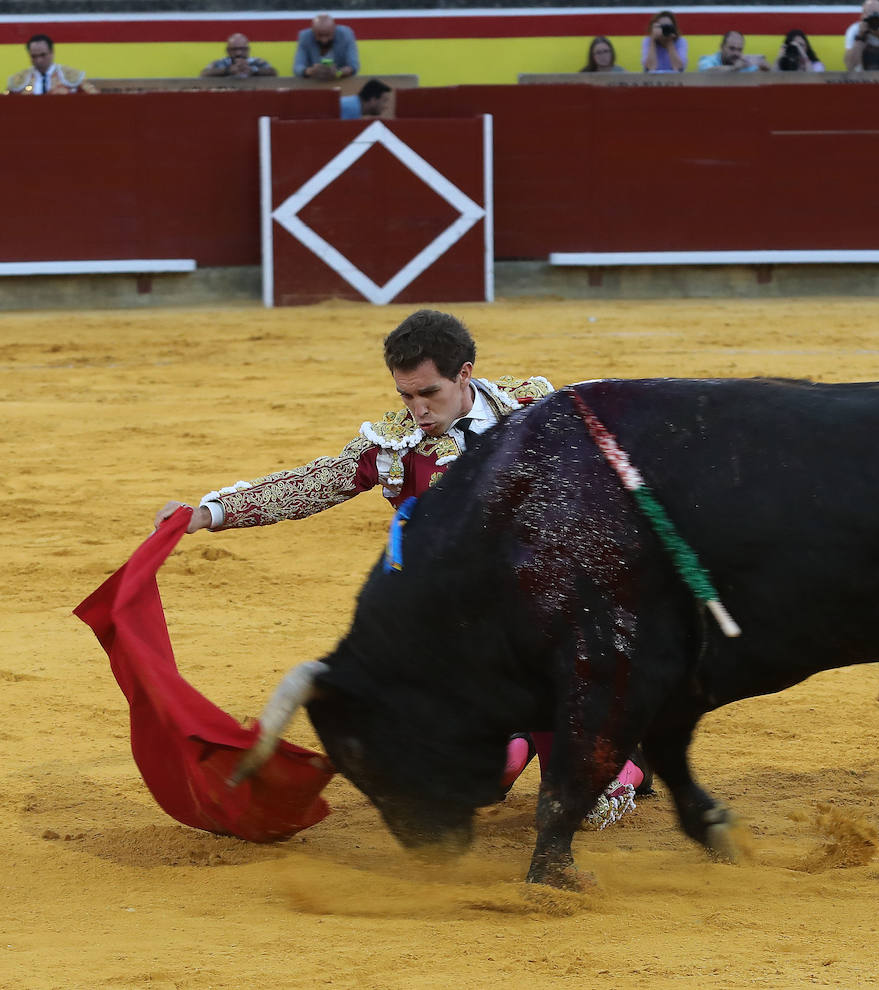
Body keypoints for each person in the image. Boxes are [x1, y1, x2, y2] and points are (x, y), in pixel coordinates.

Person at [152, 310, 644, 829]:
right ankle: (513, 739)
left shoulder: (536, 414)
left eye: (428, 393)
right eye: (405, 396)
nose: (417, 411)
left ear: (465, 374)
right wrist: (209, 512)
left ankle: (619, 766)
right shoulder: (396, 446)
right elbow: (315, 483)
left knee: (584, 796)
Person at [6, 34, 97, 95]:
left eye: (43, 55)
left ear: (52, 53)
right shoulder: (19, 79)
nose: (39, 60)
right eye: (34, 56)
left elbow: (95, 99)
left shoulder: (71, 76)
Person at [294, 13, 359, 81]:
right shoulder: (305, 37)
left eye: (328, 35)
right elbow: (297, 67)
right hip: (314, 83)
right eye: (319, 35)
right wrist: (311, 71)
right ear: (312, 31)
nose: (324, 40)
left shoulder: (346, 35)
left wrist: (338, 73)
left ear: (334, 29)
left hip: (340, 81)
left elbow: (353, 66)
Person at [200, 33, 278, 78]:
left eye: (242, 49)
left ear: (248, 50)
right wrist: (227, 71)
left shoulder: (257, 62)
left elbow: (273, 72)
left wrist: (253, 70)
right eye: (234, 49)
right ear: (227, 51)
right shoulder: (221, 63)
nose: (238, 53)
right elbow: (204, 74)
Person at [697, 30, 770, 72]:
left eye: (739, 50)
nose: (736, 53)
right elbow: (706, 73)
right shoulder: (708, 60)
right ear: (721, 47)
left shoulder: (744, 62)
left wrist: (765, 69)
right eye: (732, 48)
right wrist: (734, 68)